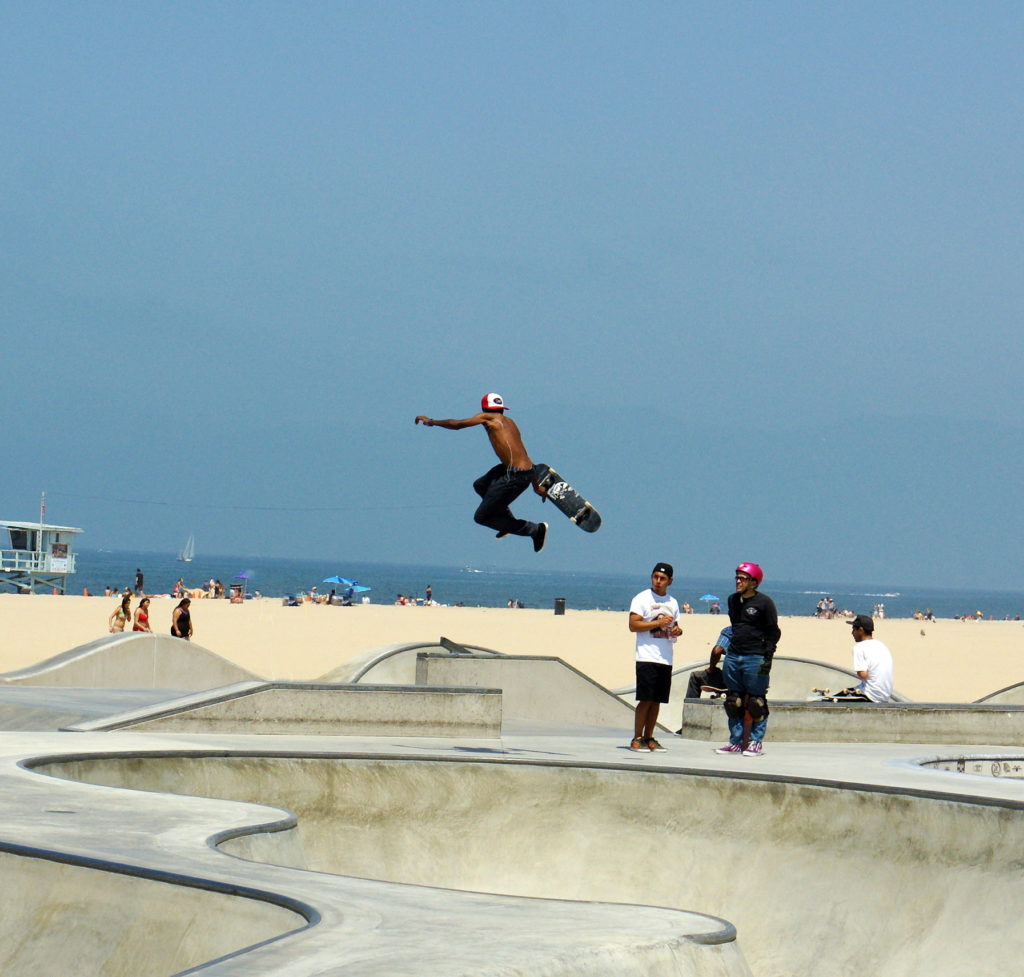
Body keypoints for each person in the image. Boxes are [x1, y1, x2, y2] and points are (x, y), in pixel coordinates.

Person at [415, 393, 549, 552]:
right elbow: (525, 455)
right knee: (481, 485)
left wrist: (432, 421)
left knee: (482, 517)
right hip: (520, 470)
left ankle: (535, 530)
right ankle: (505, 521)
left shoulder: (488, 417)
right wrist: (535, 485)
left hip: (514, 475)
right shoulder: (510, 422)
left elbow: (457, 424)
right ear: (502, 409)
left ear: (484, 408)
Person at [715, 562, 780, 758]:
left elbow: (773, 632)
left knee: (756, 701)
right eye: (736, 577)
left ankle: (755, 742)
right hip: (734, 655)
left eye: (742, 578)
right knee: (733, 700)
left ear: (754, 582)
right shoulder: (733, 600)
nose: (737, 581)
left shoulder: (765, 603)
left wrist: (767, 657)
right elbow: (736, 626)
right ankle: (735, 742)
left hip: (756, 657)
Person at [628, 562, 683, 752]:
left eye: (662, 579)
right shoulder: (642, 598)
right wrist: (656, 622)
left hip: (665, 657)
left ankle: (650, 736)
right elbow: (633, 625)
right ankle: (637, 737)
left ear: (670, 581)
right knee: (645, 699)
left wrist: (677, 630)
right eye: (655, 577)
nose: (658, 581)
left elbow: (676, 627)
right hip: (646, 656)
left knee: (657, 700)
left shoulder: (672, 602)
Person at [834, 614, 893, 702]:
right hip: (884, 696)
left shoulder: (859, 647)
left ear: (861, 630)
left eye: (854, 630)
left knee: (833, 701)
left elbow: (863, 675)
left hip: (870, 696)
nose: (852, 633)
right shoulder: (881, 645)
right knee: (848, 691)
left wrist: (858, 671)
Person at [685, 626, 731, 698]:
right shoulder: (754, 631)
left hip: (729, 679)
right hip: (751, 679)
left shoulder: (731, 630)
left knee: (695, 677)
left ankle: (691, 707)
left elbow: (716, 651)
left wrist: (711, 669)